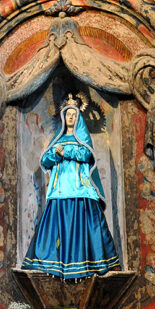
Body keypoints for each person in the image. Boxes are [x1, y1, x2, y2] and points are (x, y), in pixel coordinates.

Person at [22, 96, 120, 279]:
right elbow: (45, 160)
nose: (71, 118)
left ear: (78, 119)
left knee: (87, 225)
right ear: (63, 117)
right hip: (59, 190)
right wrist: (56, 155)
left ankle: (91, 263)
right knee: (57, 228)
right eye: (68, 115)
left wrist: (65, 151)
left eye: (74, 115)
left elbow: (86, 154)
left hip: (79, 189)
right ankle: (53, 264)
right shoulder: (57, 140)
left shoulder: (82, 139)